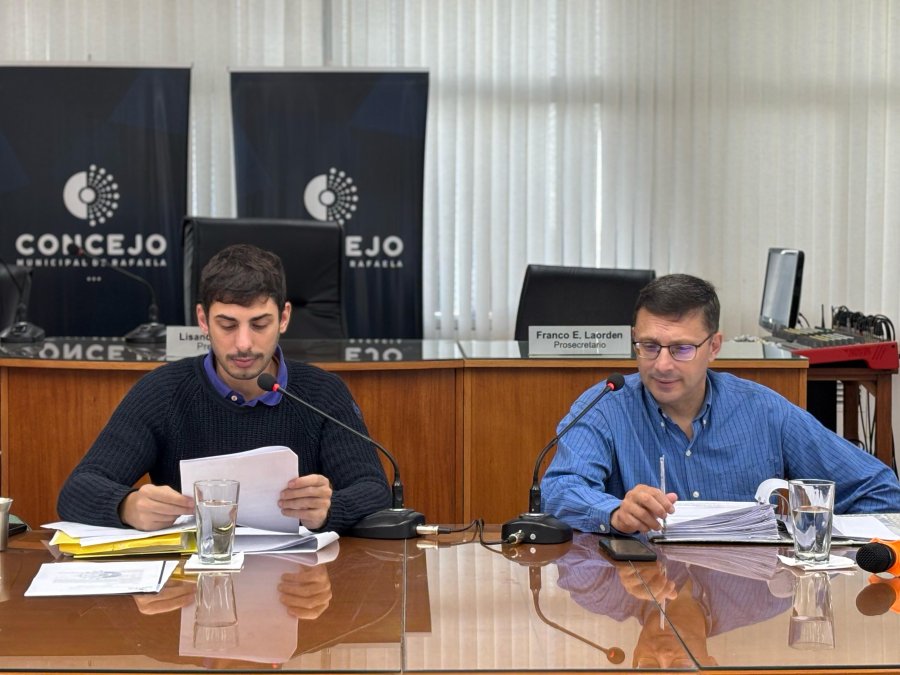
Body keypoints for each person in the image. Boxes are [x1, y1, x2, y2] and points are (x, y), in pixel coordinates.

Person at [58, 244, 390, 532]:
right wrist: (126, 507)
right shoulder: (163, 391)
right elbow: (76, 491)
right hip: (191, 584)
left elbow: (374, 490)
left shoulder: (321, 392)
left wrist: (329, 510)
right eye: (227, 325)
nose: (243, 344)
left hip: (297, 586)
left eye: (260, 324)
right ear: (203, 320)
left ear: (284, 317)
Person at [541, 273, 900, 534]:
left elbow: (878, 489)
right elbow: (558, 491)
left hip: (746, 597)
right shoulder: (607, 404)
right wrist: (615, 510)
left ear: (714, 347)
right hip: (647, 596)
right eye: (649, 346)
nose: (662, 364)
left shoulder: (763, 410)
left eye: (682, 348)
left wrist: (813, 542)